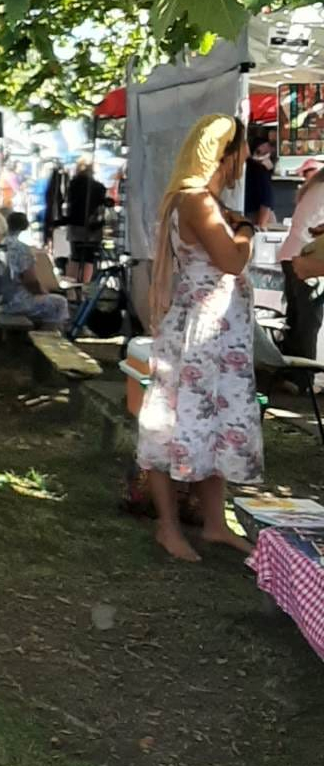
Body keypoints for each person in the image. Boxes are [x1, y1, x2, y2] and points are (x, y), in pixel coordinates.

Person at [137, 114, 261, 562]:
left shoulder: (200, 201)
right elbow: (231, 260)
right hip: (203, 333)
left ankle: (214, 523)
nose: (248, 157)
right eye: (243, 149)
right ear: (225, 154)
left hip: (215, 332)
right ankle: (168, 527)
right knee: (177, 422)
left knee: (212, 421)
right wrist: (246, 230)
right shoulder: (197, 202)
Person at [279, 156, 324, 360]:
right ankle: (303, 373)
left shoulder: (315, 186)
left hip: (291, 254)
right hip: (307, 259)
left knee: (295, 322)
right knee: (307, 324)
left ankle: (290, 371)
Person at [0, 212, 69, 328]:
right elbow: (30, 281)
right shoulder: (22, 248)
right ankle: (49, 335)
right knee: (59, 303)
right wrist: (42, 292)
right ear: (25, 226)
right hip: (12, 303)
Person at [64, 157, 108, 282]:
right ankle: (84, 285)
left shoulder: (72, 185)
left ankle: (72, 284)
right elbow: (101, 206)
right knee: (89, 258)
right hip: (92, 228)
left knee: (75, 256)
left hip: (75, 226)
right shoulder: (99, 187)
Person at [244, 133, 277, 229]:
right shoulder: (258, 169)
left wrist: (261, 226)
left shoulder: (258, 169)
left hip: (257, 215)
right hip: (257, 216)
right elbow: (266, 201)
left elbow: (266, 202)